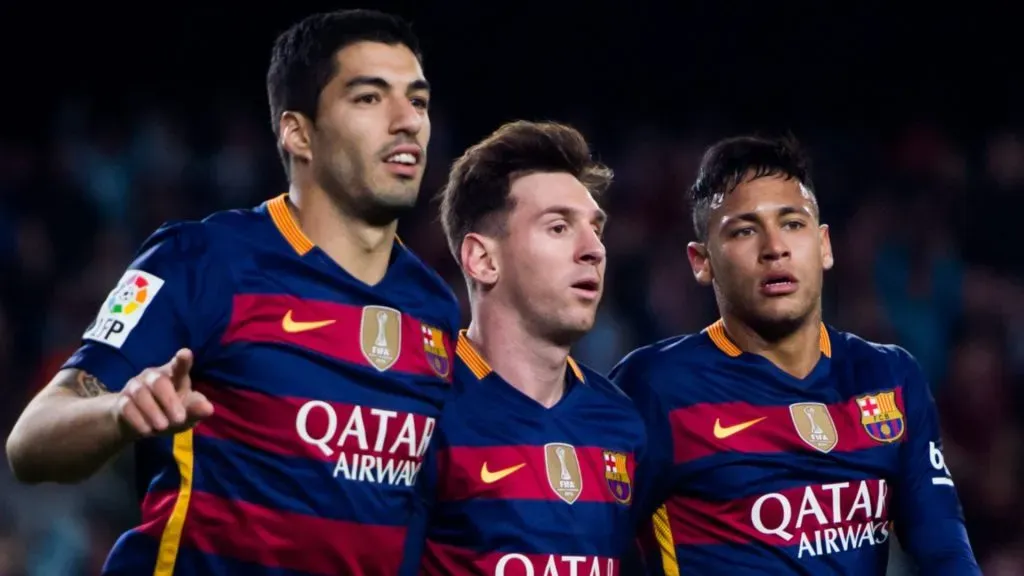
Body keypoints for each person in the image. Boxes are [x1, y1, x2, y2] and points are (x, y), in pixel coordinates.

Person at [6, 9, 460, 575]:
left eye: (417, 101)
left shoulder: (436, 310)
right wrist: (120, 411)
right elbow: (30, 442)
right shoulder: (201, 260)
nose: (407, 121)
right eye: (370, 98)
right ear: (298, 132)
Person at [611, 135, 980, 575]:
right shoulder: (654, 387)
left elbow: (945, 550)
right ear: (701, 261)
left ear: (824, 245)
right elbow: (584, 544)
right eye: (745, 230)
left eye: (792, 223)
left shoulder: (888, 376)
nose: (775, 248)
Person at [401, 120, 646, 576]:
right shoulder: (418, 409)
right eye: (558, 227)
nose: (594, 249)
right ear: (483, 259)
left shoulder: (621, 423)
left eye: (597, 229)